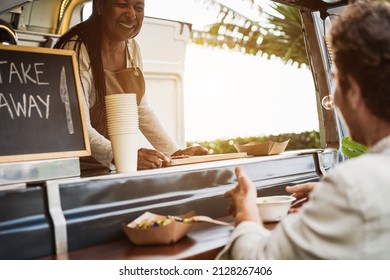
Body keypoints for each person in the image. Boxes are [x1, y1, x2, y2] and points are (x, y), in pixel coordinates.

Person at [217, 1, 390, 259]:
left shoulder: (354, 185)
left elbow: (257, 265)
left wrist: (246, 210)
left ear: (353, 91)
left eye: (335, 83)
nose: (335, 100)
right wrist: (327, 197)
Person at [54, 0, 207, 172]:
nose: (132, 14)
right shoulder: (76, 48)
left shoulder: (132, 47)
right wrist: (124, 156)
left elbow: (140, 109)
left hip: (110, 167)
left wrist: (175, 152)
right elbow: (78, 125)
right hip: (73, 169)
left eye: (139, 8)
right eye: (122, 4)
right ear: (100, 6)